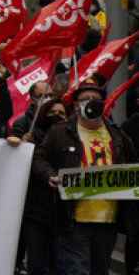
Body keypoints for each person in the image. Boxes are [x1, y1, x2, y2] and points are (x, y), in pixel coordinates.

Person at [38, 82, 134, 275]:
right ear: (75, 105)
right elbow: (39, 158)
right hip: (73, 221)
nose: (91, 103)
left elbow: (133, 166)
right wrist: (49, 175)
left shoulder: (118, 136)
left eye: (96, 100)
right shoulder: (60, 132)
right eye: (85, 100)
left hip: (108, 221)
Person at [21, 97, 69, 275]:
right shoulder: (33, 137)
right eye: (52, 112)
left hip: (63, 214)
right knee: (37, 264)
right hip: (36, 212)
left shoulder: (72, 139)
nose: (57, 116)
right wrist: (24, 148)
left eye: (61, 113)